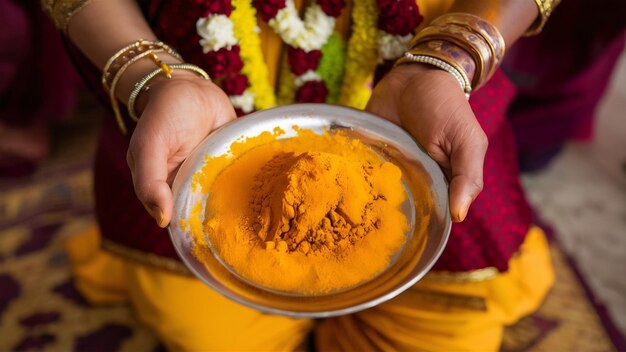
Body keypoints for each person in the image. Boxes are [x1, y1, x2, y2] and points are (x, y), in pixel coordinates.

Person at [44, 0, 558, 350]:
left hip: (420, 83)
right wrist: (154, 77)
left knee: (449, 334)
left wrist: (450, 60)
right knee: (205, 332)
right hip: (198, 83)